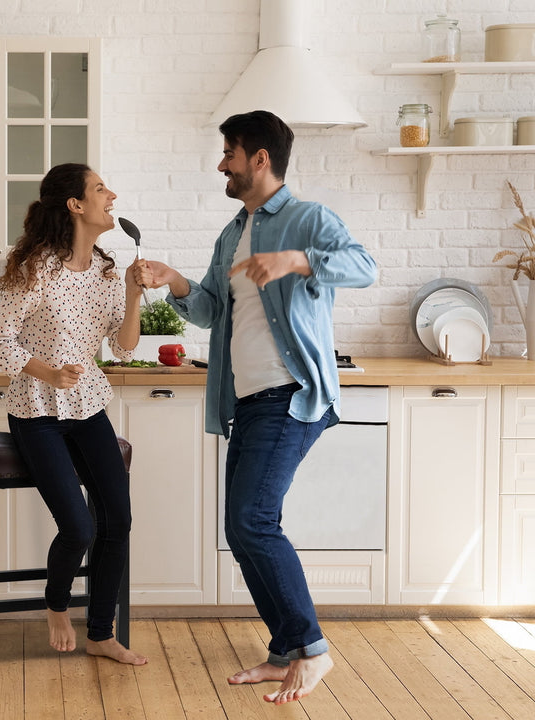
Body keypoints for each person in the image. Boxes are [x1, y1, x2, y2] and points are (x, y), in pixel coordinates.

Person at [139, 111, 377, 703]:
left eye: (229, 152)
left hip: (289, 394)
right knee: (240, 527)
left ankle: (313, 649)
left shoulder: (307, 218)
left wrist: (297, 260)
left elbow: (365, 268)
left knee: (252, 521)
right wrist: (175, 282)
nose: (222, 163)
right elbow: (212, 311)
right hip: (245, 399)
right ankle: (282, 652)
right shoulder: (233, 231)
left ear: (260, 158)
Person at [0, 163, 148, 666]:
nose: (112, 194)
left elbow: (122, 348)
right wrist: (48, 373)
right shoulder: (36, 267)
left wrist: (133, 292)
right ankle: (55, 605)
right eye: (101, 188)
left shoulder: (105, 268)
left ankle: (101, 633)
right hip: (35, 409)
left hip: (88, 406)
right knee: (78, 526)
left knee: (116, 519)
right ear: (76, 205)